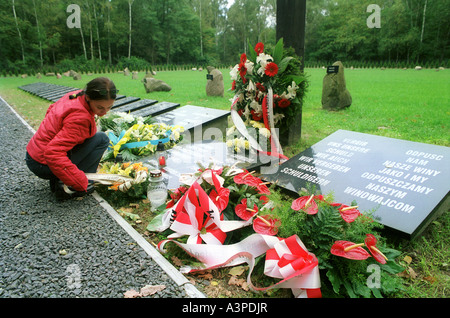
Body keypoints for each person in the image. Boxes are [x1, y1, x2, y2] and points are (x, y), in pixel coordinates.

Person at [25, 77, 117, 200]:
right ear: (89, 98)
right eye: (100, 107)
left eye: (109, 107)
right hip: (42, 163)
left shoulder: (75, 96)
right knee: (101, 139)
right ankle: (69, 186)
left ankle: (60, 178)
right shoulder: (80, 118)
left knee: (94, 138)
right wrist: (80, 183)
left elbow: (51, 110)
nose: (104, 112)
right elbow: (53, 153)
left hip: (34, 154)